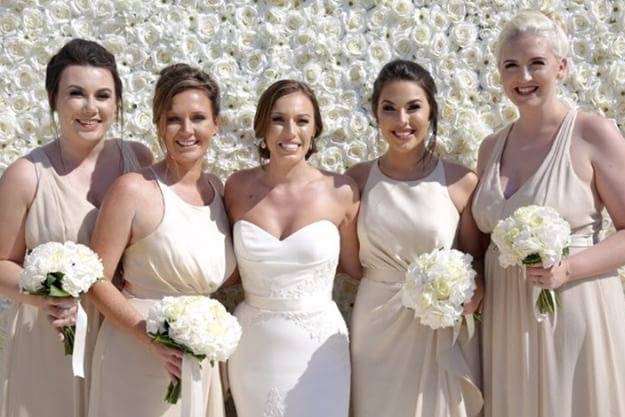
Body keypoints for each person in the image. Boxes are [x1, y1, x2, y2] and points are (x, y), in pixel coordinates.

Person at [472, 10, 625, 417]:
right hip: (507, 321)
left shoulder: (592, 133)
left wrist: (568, 269)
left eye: (536, 63)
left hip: (574, 309)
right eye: (511, 66)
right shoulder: (490, 148)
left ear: (562, 66)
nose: (523, 76)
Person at [0, 38, 151, 417]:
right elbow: (2, 262)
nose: (90, 107)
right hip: (53, 337)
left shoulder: (139, 159)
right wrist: (45, 299)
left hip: (121, 333)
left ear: (116, 102)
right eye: (75, 94)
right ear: (54, 99)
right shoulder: (26, 175)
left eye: (102, 95)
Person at [86, 63, 235, 417]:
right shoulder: (133, 189)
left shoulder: (218, 189)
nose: (186, 130)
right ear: (158, 127)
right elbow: (95, 278)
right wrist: (150, 337)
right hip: (137, 353)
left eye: (198, 118)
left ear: (216, 125)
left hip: (198, 354)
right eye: (173, 119)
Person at [348, 59, 484, 417]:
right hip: (375, 325)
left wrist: (467, 294)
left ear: (431, 111)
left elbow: (478, 261)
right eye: (389, 109)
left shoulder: (458, 181)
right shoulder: (358, 180)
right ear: (376, 115)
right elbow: (347, 262)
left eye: (413, 107)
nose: (402, 121)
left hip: (437, 324)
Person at [225, 80, 361, 417]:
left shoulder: (341, 191)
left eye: (302, 120)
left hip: (319, 349)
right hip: (253, 347)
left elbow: (357, 268)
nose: (290, 131)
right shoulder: (236, 187)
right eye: (278, 119)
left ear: (315, 129)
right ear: (262, 127)